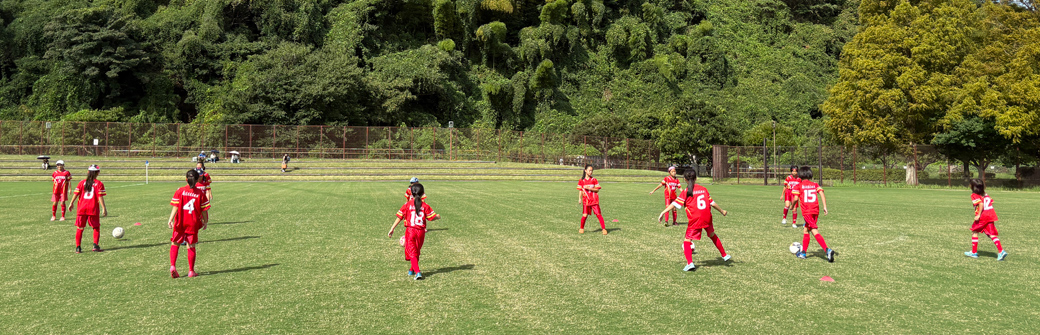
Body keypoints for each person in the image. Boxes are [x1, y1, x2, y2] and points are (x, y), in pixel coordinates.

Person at [658, 169, 731, 271]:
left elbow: (674, 204)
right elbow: (712, 203)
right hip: (707, 218)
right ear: (696, 178)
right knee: (712, 235)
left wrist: (663, 212)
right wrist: (722, 211)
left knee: (687, 240)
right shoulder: (704, 189)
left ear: (685, 179)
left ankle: (690, 263)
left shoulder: (686, 191)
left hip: (695, 219)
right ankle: (724, 255)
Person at [387, 183, 440, 280]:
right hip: (421, 232)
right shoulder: (425, 205)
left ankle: (418, 272)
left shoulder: (407, 204)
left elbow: (399, 217)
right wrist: (437, 217)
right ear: (423, 193)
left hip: (411, 231)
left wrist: (392, 228)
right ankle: (412, 269)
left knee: (412, 252)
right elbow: (431, 218)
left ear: (411, 192)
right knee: (416, 252)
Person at [168, 169, 211, 278]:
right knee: (191, 245)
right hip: (192, 223)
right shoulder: (200, 193)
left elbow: (175, 207)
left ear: (186, 179)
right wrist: (206, 221)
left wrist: (170, 219)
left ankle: (173, 266)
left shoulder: (180, 191)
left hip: (180, 222)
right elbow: (204, 210)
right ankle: (191, 271)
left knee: (175, 243)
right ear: (197, 180)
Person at [790, 166, 837, 262]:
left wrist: (792, 206)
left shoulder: (799, 185)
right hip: (815, 211)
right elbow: (822, 193)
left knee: (814, 230)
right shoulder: (815, 184)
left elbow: (795, 198)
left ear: (800, 175)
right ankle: (803, 253)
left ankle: (827, 250)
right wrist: (825, 207)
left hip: (807, 212)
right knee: (806, 230)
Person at [964, 179, 1008, 261]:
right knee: (991, 234)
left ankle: (974, 252)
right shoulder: (985, 194)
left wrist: (978, 215)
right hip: (990, 215)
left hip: (983, 217)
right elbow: (991, 202)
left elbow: (980, 203)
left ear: (973, 186)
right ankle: (1001, 251)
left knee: (975, 231)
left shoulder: (974, 195)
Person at [69, 165, 107, 253]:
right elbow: (100, 196)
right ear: (98, 173)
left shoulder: (82, 182)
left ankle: (78, 247)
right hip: (92, 208)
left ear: (88, 172)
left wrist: (71, 203)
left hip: (81, 208)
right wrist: (104, 208)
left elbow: (76, 193)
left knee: (80, 228)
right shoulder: (99, 183)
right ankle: (95, 246)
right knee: (96, 227)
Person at [578, 164, 608, 235]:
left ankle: (603, 229)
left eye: (592, 171)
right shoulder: (581, 180)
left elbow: (597, 190)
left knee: (598, 214)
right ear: (585, 171)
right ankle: (581, 228)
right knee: (585, 215)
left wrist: (590, 188)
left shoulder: (594, 180)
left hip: (594, 200)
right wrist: (579, 198)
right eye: (589, 170)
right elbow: (581, 190)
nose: (591, 172)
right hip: (586, 200)